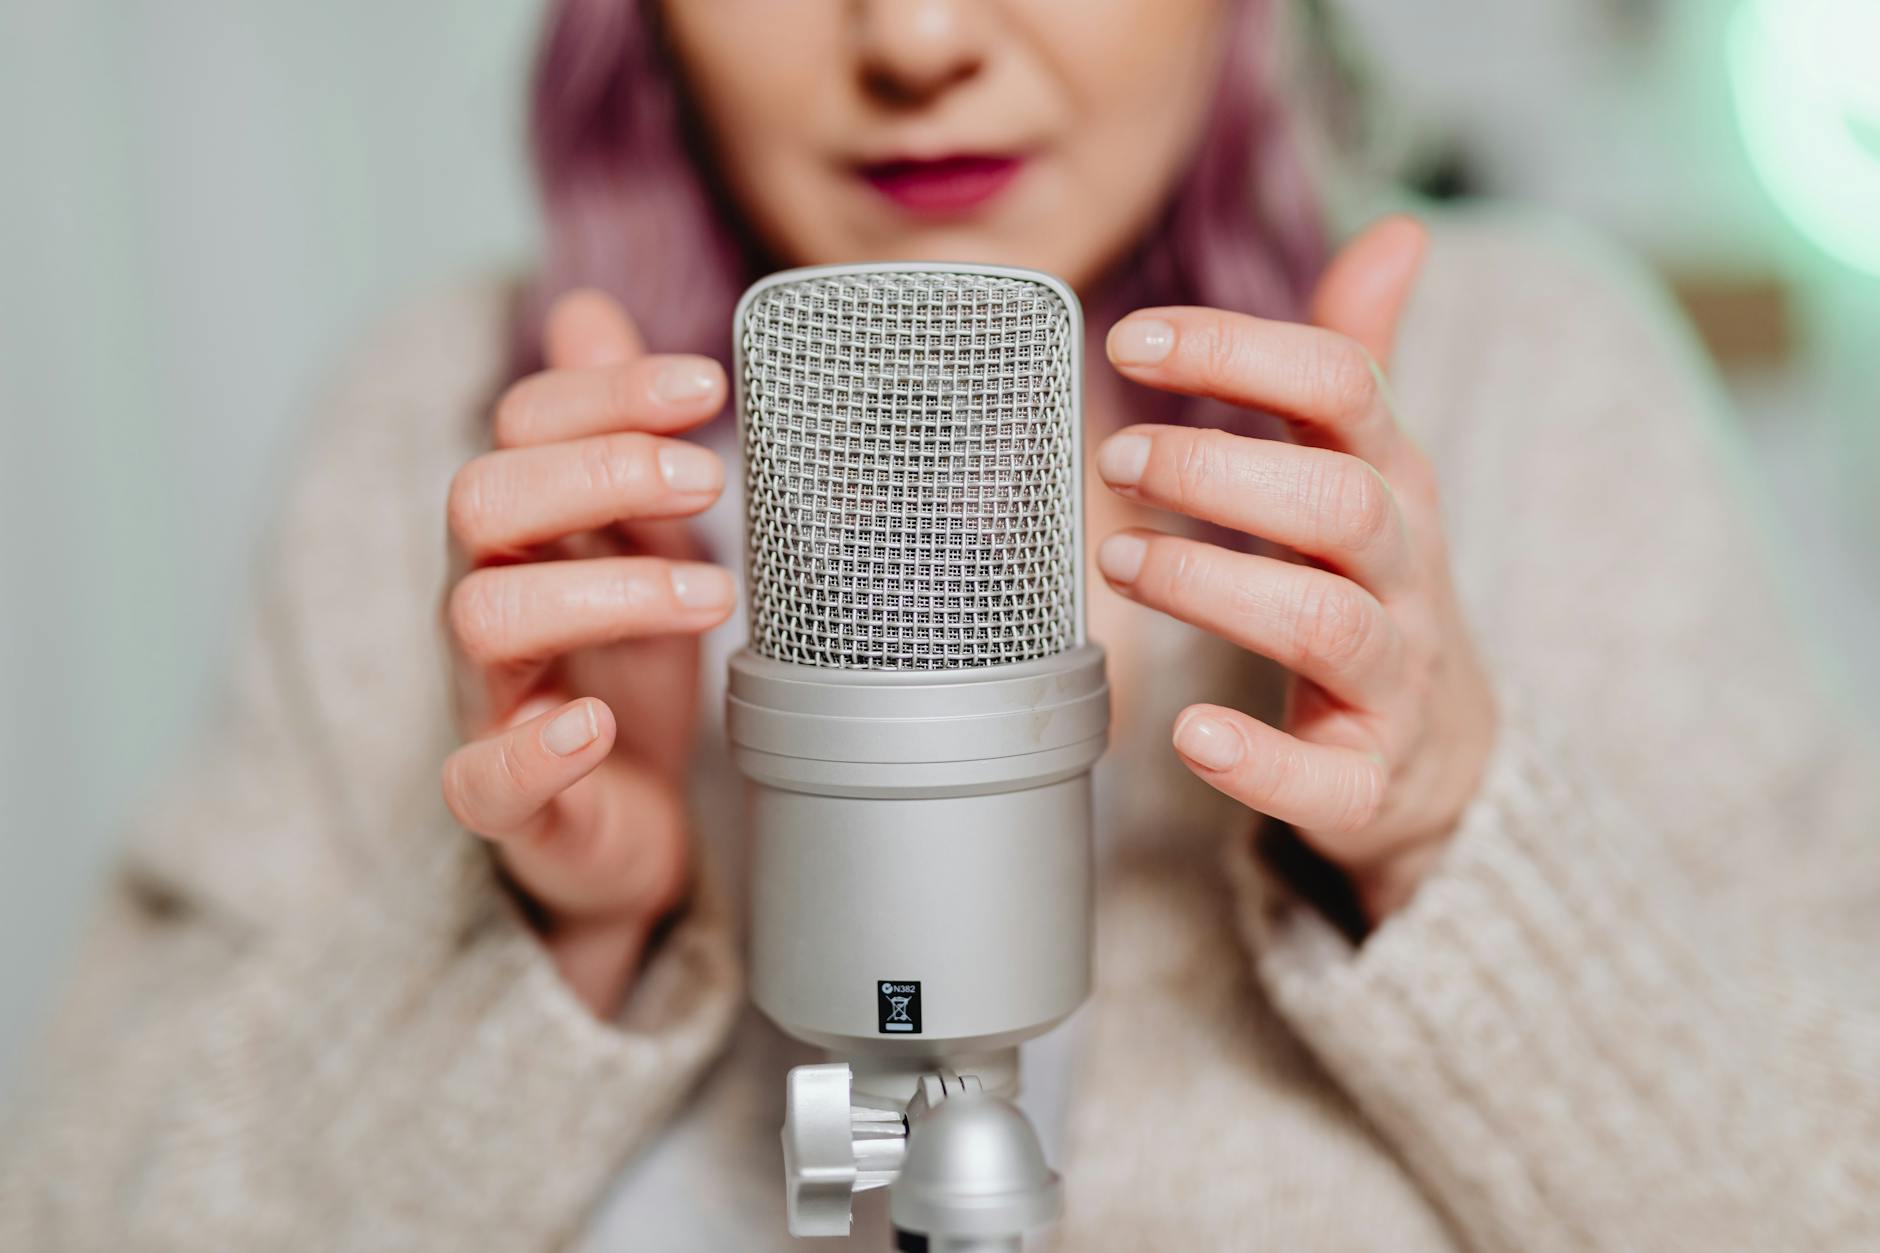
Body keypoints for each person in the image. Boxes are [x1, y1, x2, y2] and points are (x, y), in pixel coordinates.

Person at [4, 1, 1877, 1249]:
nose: (912, 36)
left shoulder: (1534, 398)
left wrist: (1457, 836)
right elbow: (88, 1210)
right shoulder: (438, 442)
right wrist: (547, 933)